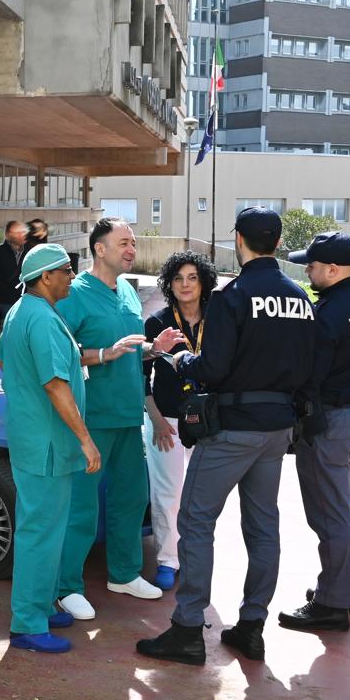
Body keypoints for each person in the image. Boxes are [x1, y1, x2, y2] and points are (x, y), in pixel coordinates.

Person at [136, 206, 316, 665]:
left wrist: (178, 362)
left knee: (196, 521)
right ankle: (252, 626)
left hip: (232, 428)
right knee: (263, 527)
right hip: (278, 430)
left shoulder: (234, 298)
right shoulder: (299, 297)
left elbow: (211, 369)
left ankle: (188, 628)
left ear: (239, 239)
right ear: (276, 242)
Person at [53, 218, 183, 621]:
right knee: (81, 507)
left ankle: (124, 574)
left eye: (133, 243)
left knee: (131, 498)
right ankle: (66, 587)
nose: (131, 249)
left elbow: (127, 349)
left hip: (129, 416)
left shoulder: (127, 291)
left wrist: (152, 348)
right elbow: (61, 353)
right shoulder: (73, 294)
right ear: (100, 249)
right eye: (123, 243)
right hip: (92, 417)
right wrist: (104, 353)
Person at [0, 243, 102, 654]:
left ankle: (38, 604)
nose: (72, 277)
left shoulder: (22, 310)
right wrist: (86, 439)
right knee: (40, 533)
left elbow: (6, 360)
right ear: (45, 277)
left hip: (33, 438)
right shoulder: (40, 318)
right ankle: (27, 623)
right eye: (67, 271)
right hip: (48, 445)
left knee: (43, 529)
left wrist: (25, 399)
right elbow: (56, 385)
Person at [280, 231, 350, 632]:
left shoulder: (327, 314)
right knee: (341, 505)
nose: (307, 270)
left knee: (329, 514)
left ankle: (332, 603)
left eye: (311, 264)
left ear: (333, 269)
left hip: (332, 421)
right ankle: (344, 586)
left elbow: (310, 374)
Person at [142, 250, 218, 593]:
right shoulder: (158, 322)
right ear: (169, 285)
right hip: (168, 421)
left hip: (209, 421)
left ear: (204, 283)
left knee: (201, 496)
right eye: (178, 279)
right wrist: (156, 419)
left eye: (192, 278)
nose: (185, 285)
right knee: (168, 494)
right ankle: (167, 560)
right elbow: (142, 377)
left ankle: (194, 555)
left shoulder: (219, 319)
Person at [0, 220, 29, 333]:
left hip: (27, 299)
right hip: (6, 301)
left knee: (25, 331)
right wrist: (5, 289)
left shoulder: (30, 252)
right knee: (11, 331)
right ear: (8, 234)